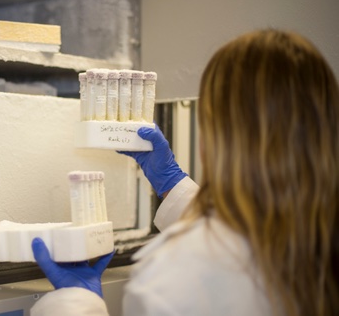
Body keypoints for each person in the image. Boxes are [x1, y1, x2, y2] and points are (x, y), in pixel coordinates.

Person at [30, 29, 339, 316]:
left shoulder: (177, 276)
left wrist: (78, 305)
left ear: (220, 137)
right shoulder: (320, 241)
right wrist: (172, 184)